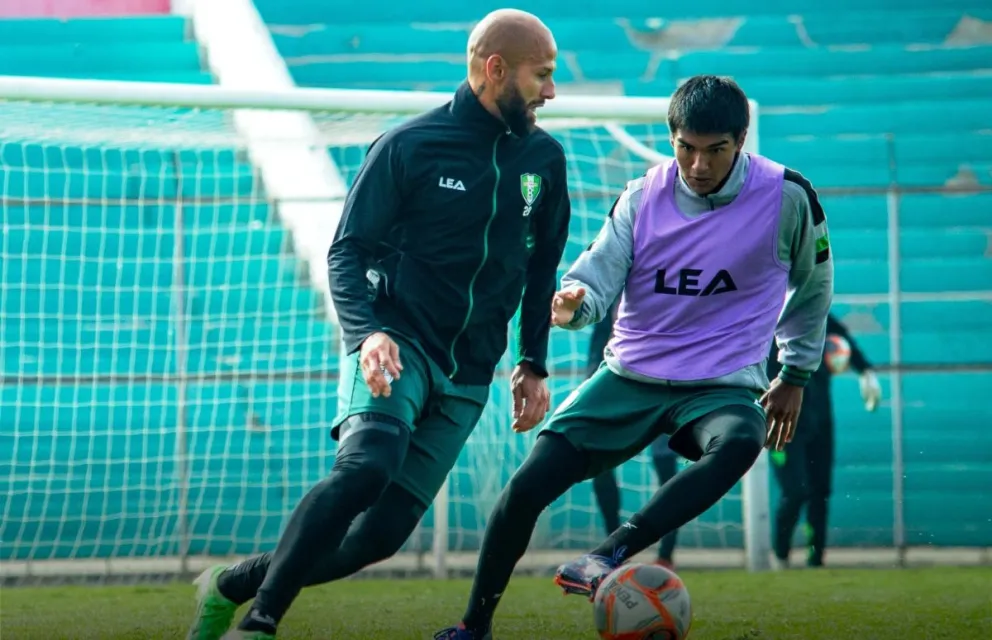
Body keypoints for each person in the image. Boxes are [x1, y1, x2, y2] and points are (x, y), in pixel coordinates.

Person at [185, 9, 571, 640]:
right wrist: (368, 333)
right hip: (398, 344)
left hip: (471, 371)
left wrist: (532, 361)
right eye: (541, 76)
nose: (551, 92)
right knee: (366, 469)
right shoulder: (408, 146)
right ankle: (258, 623)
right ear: (495, 69)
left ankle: (231, 584)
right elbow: (347, 251)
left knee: (378, 538)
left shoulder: (544, 160)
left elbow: (541, 267)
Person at [437, 75, 835, 639]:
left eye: (715, 150)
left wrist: (795, 372)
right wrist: (573, 305)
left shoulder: (787, 196)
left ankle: (608, 553)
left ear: (741, 140)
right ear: (672, 138)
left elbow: (813, 285)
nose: (698, 165)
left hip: (719, 384)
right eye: (685, 148)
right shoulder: (642, 195)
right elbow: (594, 280)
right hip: (629, 375)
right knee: (524, 489)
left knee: (741, 441)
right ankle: (473, 626)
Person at [768, 312, 881, 568]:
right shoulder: (765, 314)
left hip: (820, 421)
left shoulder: (816, 309)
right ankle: (781, 555)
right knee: (795, 491)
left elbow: (844, 341)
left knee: (821, 491)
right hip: (782, 423)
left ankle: (816, 559)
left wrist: (866, 371)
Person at [587, 297, 682, 569]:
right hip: (616, 384)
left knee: (667, 469)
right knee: (600, 465)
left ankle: (666, 554)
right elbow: (597, 346)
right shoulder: (612, 285)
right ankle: (613, 547)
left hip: (665, 383)